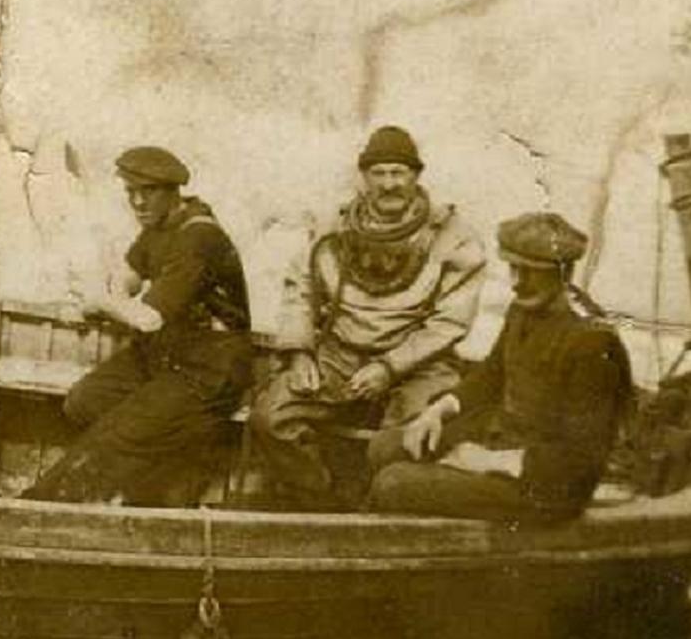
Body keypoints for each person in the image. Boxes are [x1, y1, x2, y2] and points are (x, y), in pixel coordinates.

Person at [250, 126, 486, 509]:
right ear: (364, 177)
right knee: (270, 417)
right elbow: (301, 287)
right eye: (379, 173)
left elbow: (449, 322)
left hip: (418, 361)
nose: (389, 184)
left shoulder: (454, 238)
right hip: (338, 353)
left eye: (399, 173)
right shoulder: (333, 228)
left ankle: (381, 514)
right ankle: (321, 502)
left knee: (413, 436)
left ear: (416, 176)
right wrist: (300, 353)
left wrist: (390, 366)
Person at [23, 146, 254, 506]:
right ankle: (152, 469)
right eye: (131, 193)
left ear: (172, 192)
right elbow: (127, 279)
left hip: (208, 373)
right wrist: (102, 294)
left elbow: (148, 319)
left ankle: (39, 506)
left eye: (148, 192)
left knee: (115, 437)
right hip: (166, 356)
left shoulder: (198, 237)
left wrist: (101, 301)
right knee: (84, 402)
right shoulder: (160, 226)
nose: (138, 202)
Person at [368, 212, 633, 523]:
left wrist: (483, 460)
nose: (517, 283)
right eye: (513, 268)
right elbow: (491, 375)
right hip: (507, 440)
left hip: (546, 486)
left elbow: (579, 459)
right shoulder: (526, 306)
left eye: (530, 272)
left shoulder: (592, 342)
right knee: (385, 447)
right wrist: (438, 410)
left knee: (394, 483)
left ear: (562, 273)